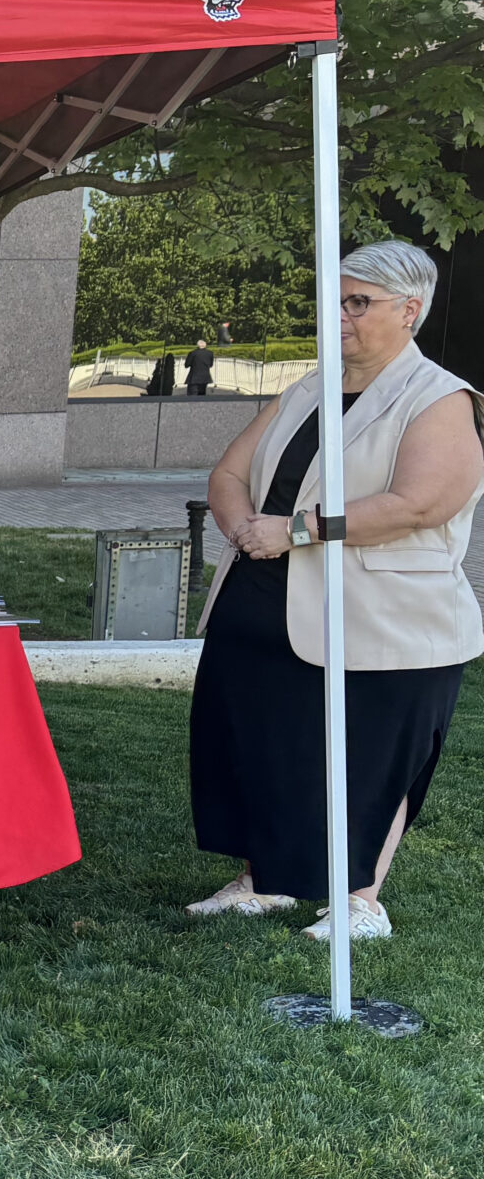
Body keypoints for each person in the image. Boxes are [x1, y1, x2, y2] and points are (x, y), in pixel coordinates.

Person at [185, 240, 480, 942]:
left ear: (410, 312)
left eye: (358, 303)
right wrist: (241, 527)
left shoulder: (439, 398)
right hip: (263, 603)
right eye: (334, 301)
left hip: (386, 621)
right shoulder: (309, 388)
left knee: (372, 756)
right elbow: (228, 475)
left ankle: (359, 900)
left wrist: (297, 530)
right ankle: (266, 881)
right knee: (263, 744)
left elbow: (421, 503)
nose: (339, 317)